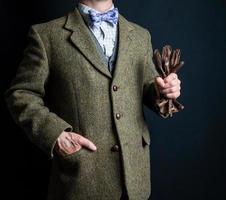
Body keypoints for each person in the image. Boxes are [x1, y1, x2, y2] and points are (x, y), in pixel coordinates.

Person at [5, 0, 181, 199]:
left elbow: (149, 88)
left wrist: (165, 91)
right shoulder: (46, 36)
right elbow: (21, 93)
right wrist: (56, 136)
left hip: (134, 180)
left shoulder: (141, 36)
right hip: (81, 180)